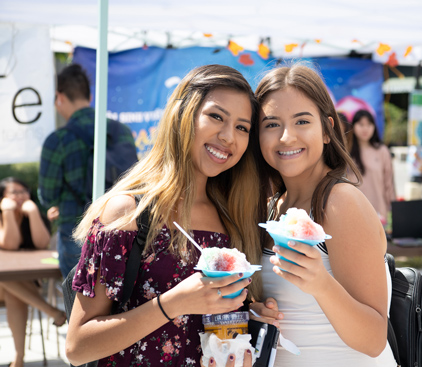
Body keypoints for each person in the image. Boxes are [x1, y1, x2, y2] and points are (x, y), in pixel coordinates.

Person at [64, 64, 259, 367]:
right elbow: (77, 347)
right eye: (216, 116)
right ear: (183, 115)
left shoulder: (234, 220)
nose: (228, 136)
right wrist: (175, 302)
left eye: (242, 127)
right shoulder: (128, 211)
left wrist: (255, 320)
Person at [249, 64, 397, 366]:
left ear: (327, 130)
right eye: (272, 124)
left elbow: (373, 339)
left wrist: (321, 284)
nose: (286, 137)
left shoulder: (340, 202)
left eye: (302, 121)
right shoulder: (271, 206)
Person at [39, 63, 136, 278]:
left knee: (79, 307)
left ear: (59, 97)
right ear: (90, 96)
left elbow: (48, 196)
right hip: (122, 229)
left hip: (78, 233)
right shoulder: (122, 131)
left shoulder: (58, 140)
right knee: (121, 304)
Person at [0, 177, 67, 367]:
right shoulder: (2, 215)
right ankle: (51, 311)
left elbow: (41, 243)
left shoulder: (33, 213)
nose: (21, 196)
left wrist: (34, 212)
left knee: (14, 294)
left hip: (25, 284)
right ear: (3, 197)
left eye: (24, 192)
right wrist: (7, 212)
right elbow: (10, 245)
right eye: (14, 192)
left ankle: (18, 360)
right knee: (5, 278)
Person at [349, 109, 396, 222]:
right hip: (353, 211)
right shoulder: (346, 152)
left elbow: (389, 182)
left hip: (379, 212)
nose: (365, 129)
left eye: (369, 124)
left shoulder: (382, 151)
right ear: (353, 126)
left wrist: (393, 209)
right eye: (361, 124)